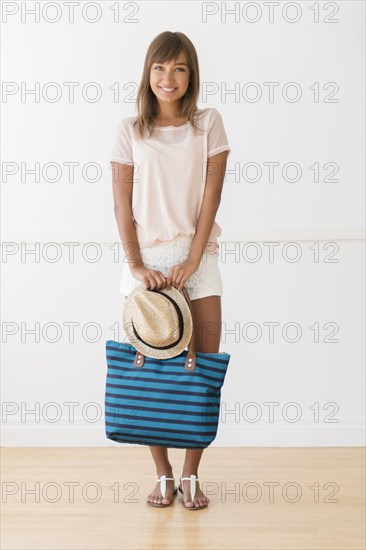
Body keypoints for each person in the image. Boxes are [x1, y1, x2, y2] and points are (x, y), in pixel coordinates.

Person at [110, 31, 230, 510]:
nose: (168, 78)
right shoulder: (128, 130)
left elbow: (212, 197)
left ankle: (191, 474)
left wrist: (194, 258)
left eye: (179, 69)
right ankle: (162, 475)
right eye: (160, 68)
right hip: (145, 264)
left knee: (201, 368)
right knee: (147, 374)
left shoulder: (209, 124)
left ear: (191, 75)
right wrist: (137, 264)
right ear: (148, 72)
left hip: (197, 259)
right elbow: (121, 206)